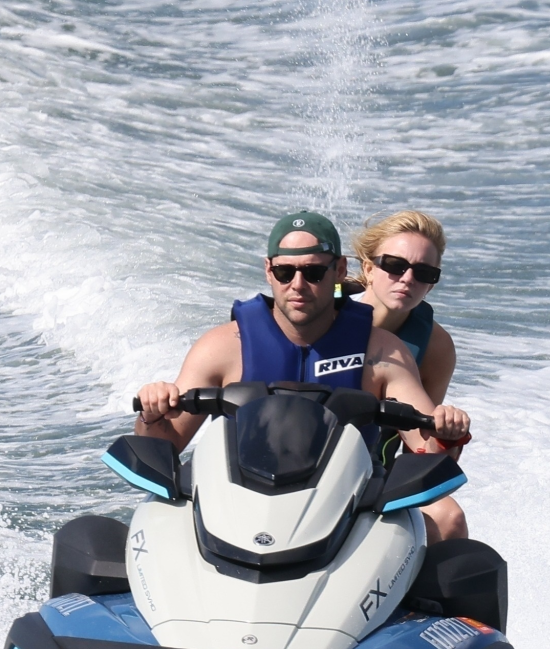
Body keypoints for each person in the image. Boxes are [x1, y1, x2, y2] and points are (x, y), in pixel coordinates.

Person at [135, 211, 470, 542]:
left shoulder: (385, 353)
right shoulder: (222, 347)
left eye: (313, 272)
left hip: (349, 500)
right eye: (285, 271)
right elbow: (160, 445)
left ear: (338, 271)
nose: (298, 285)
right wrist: (152, 412)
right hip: (234, 501)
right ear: (269, 271)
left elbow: (425, 452)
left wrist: (445, 431)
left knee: (449, 519)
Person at [349, 210, 468, 541]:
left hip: (374, 475)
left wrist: (447, 434)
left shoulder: (435, 347)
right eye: (395, 265)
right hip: (306, 461)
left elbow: (419, 447)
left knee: (450, 518)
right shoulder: (324, 319)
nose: (407, 279)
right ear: (369, 269)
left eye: (424, 272)